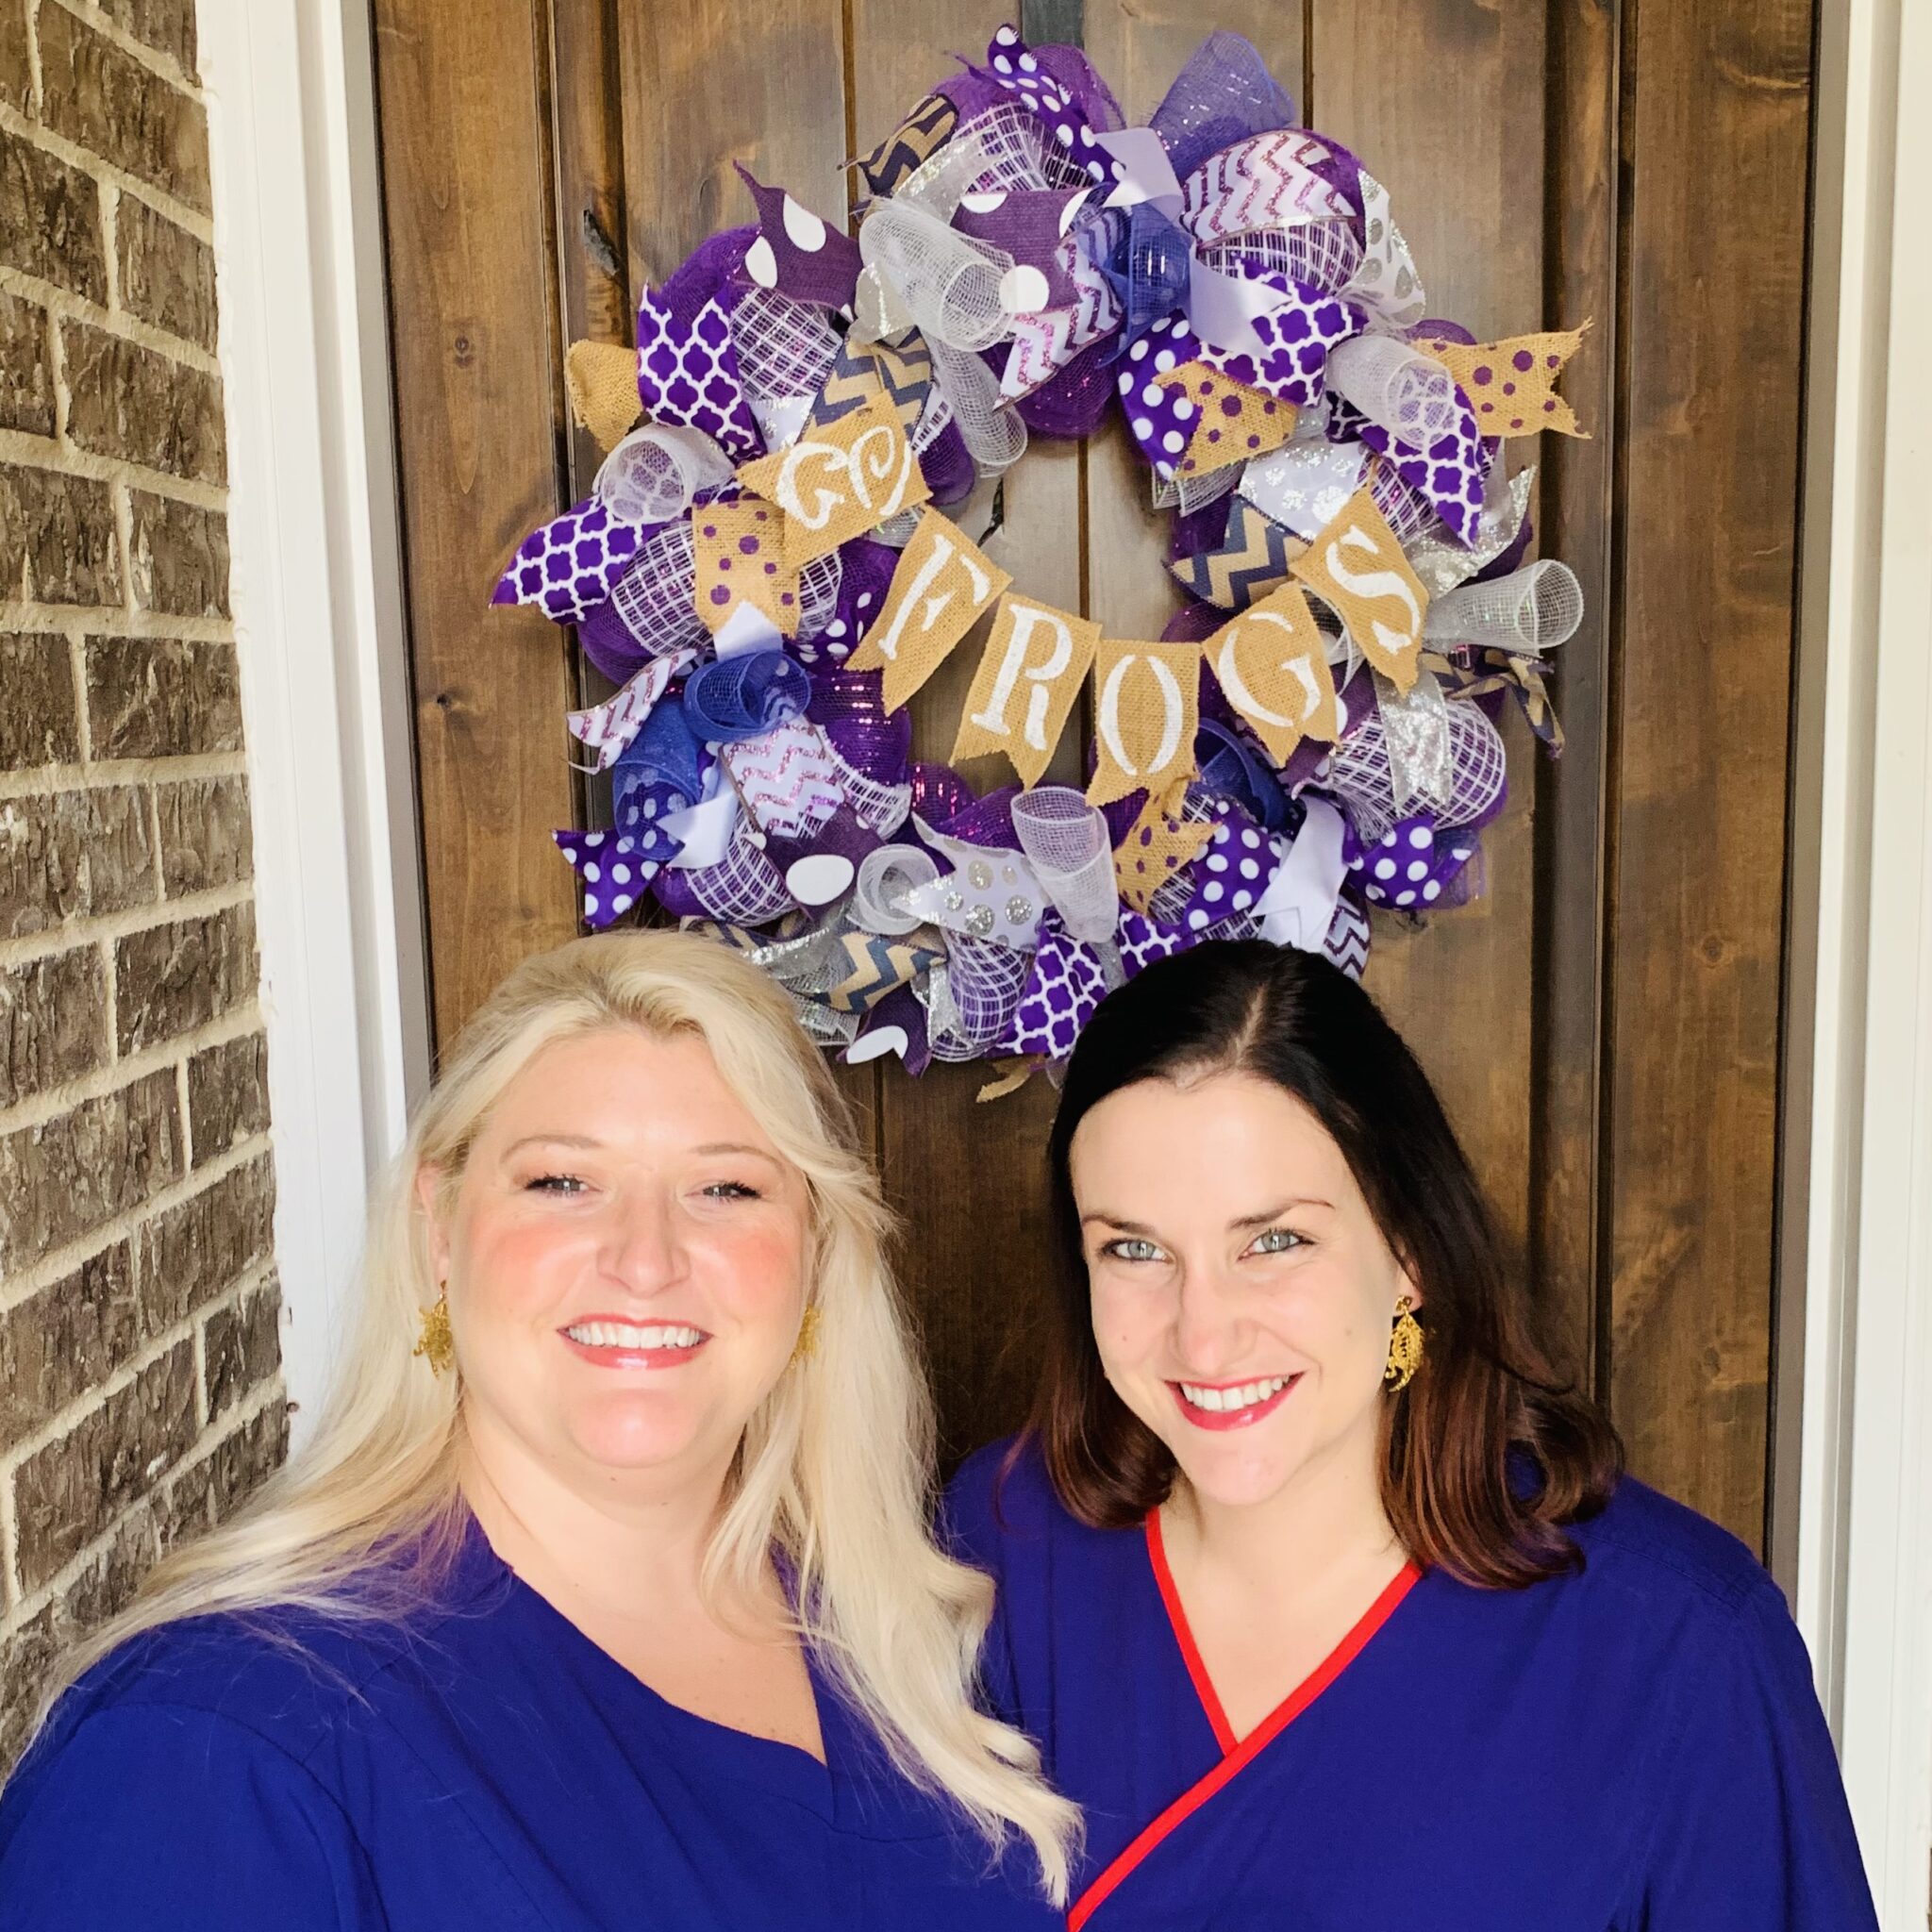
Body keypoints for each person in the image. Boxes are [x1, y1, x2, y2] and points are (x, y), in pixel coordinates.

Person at [0, 931, 1076, 1930]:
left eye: (725, 1185)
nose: (644, 1257)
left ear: (813, 1255)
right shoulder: (214, 1746)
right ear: (439, 1228)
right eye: (563, 1180)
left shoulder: (895, 1633)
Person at [947, 939, 1877, 1930]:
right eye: (1133, 1247)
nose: (1202, 1334)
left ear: (1407, 1253)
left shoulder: (1679, 1640)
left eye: (1273, 1240)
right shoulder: (1000, 1543)